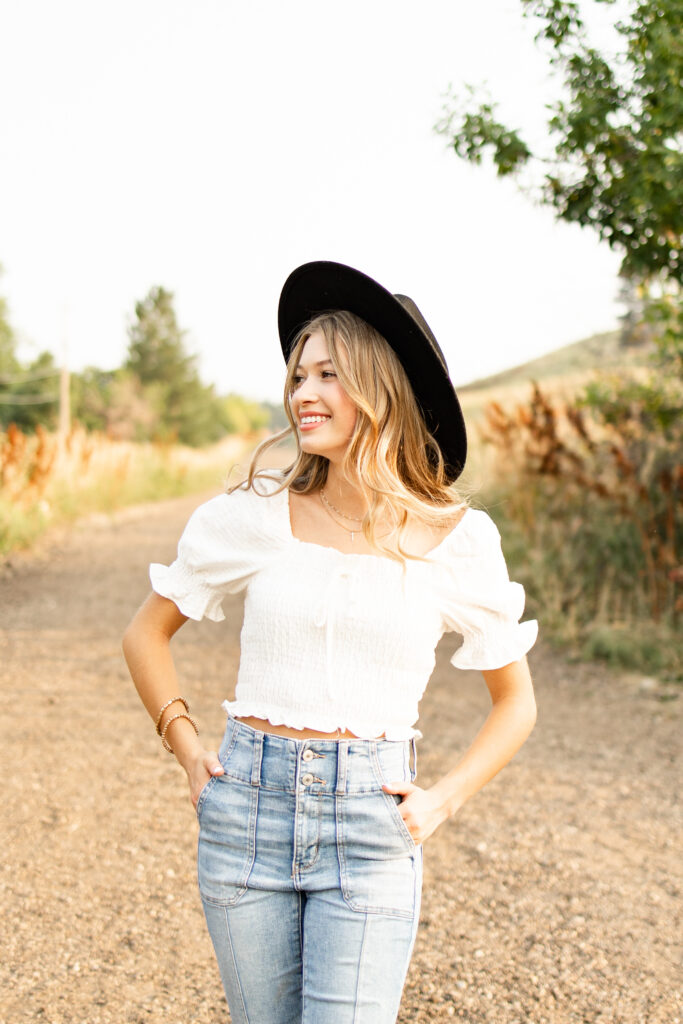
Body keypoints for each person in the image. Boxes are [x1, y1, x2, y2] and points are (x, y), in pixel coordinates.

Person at [122, 261, 538, 1024]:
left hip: (369, 823)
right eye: (298, 374)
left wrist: (441, 802)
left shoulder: (457, 539)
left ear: (382, 389)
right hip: (245, 809)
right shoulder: (251, 514)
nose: (302, 394)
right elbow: (146, 632)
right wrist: (185, 747)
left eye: (328, 376)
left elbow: (515, 702)